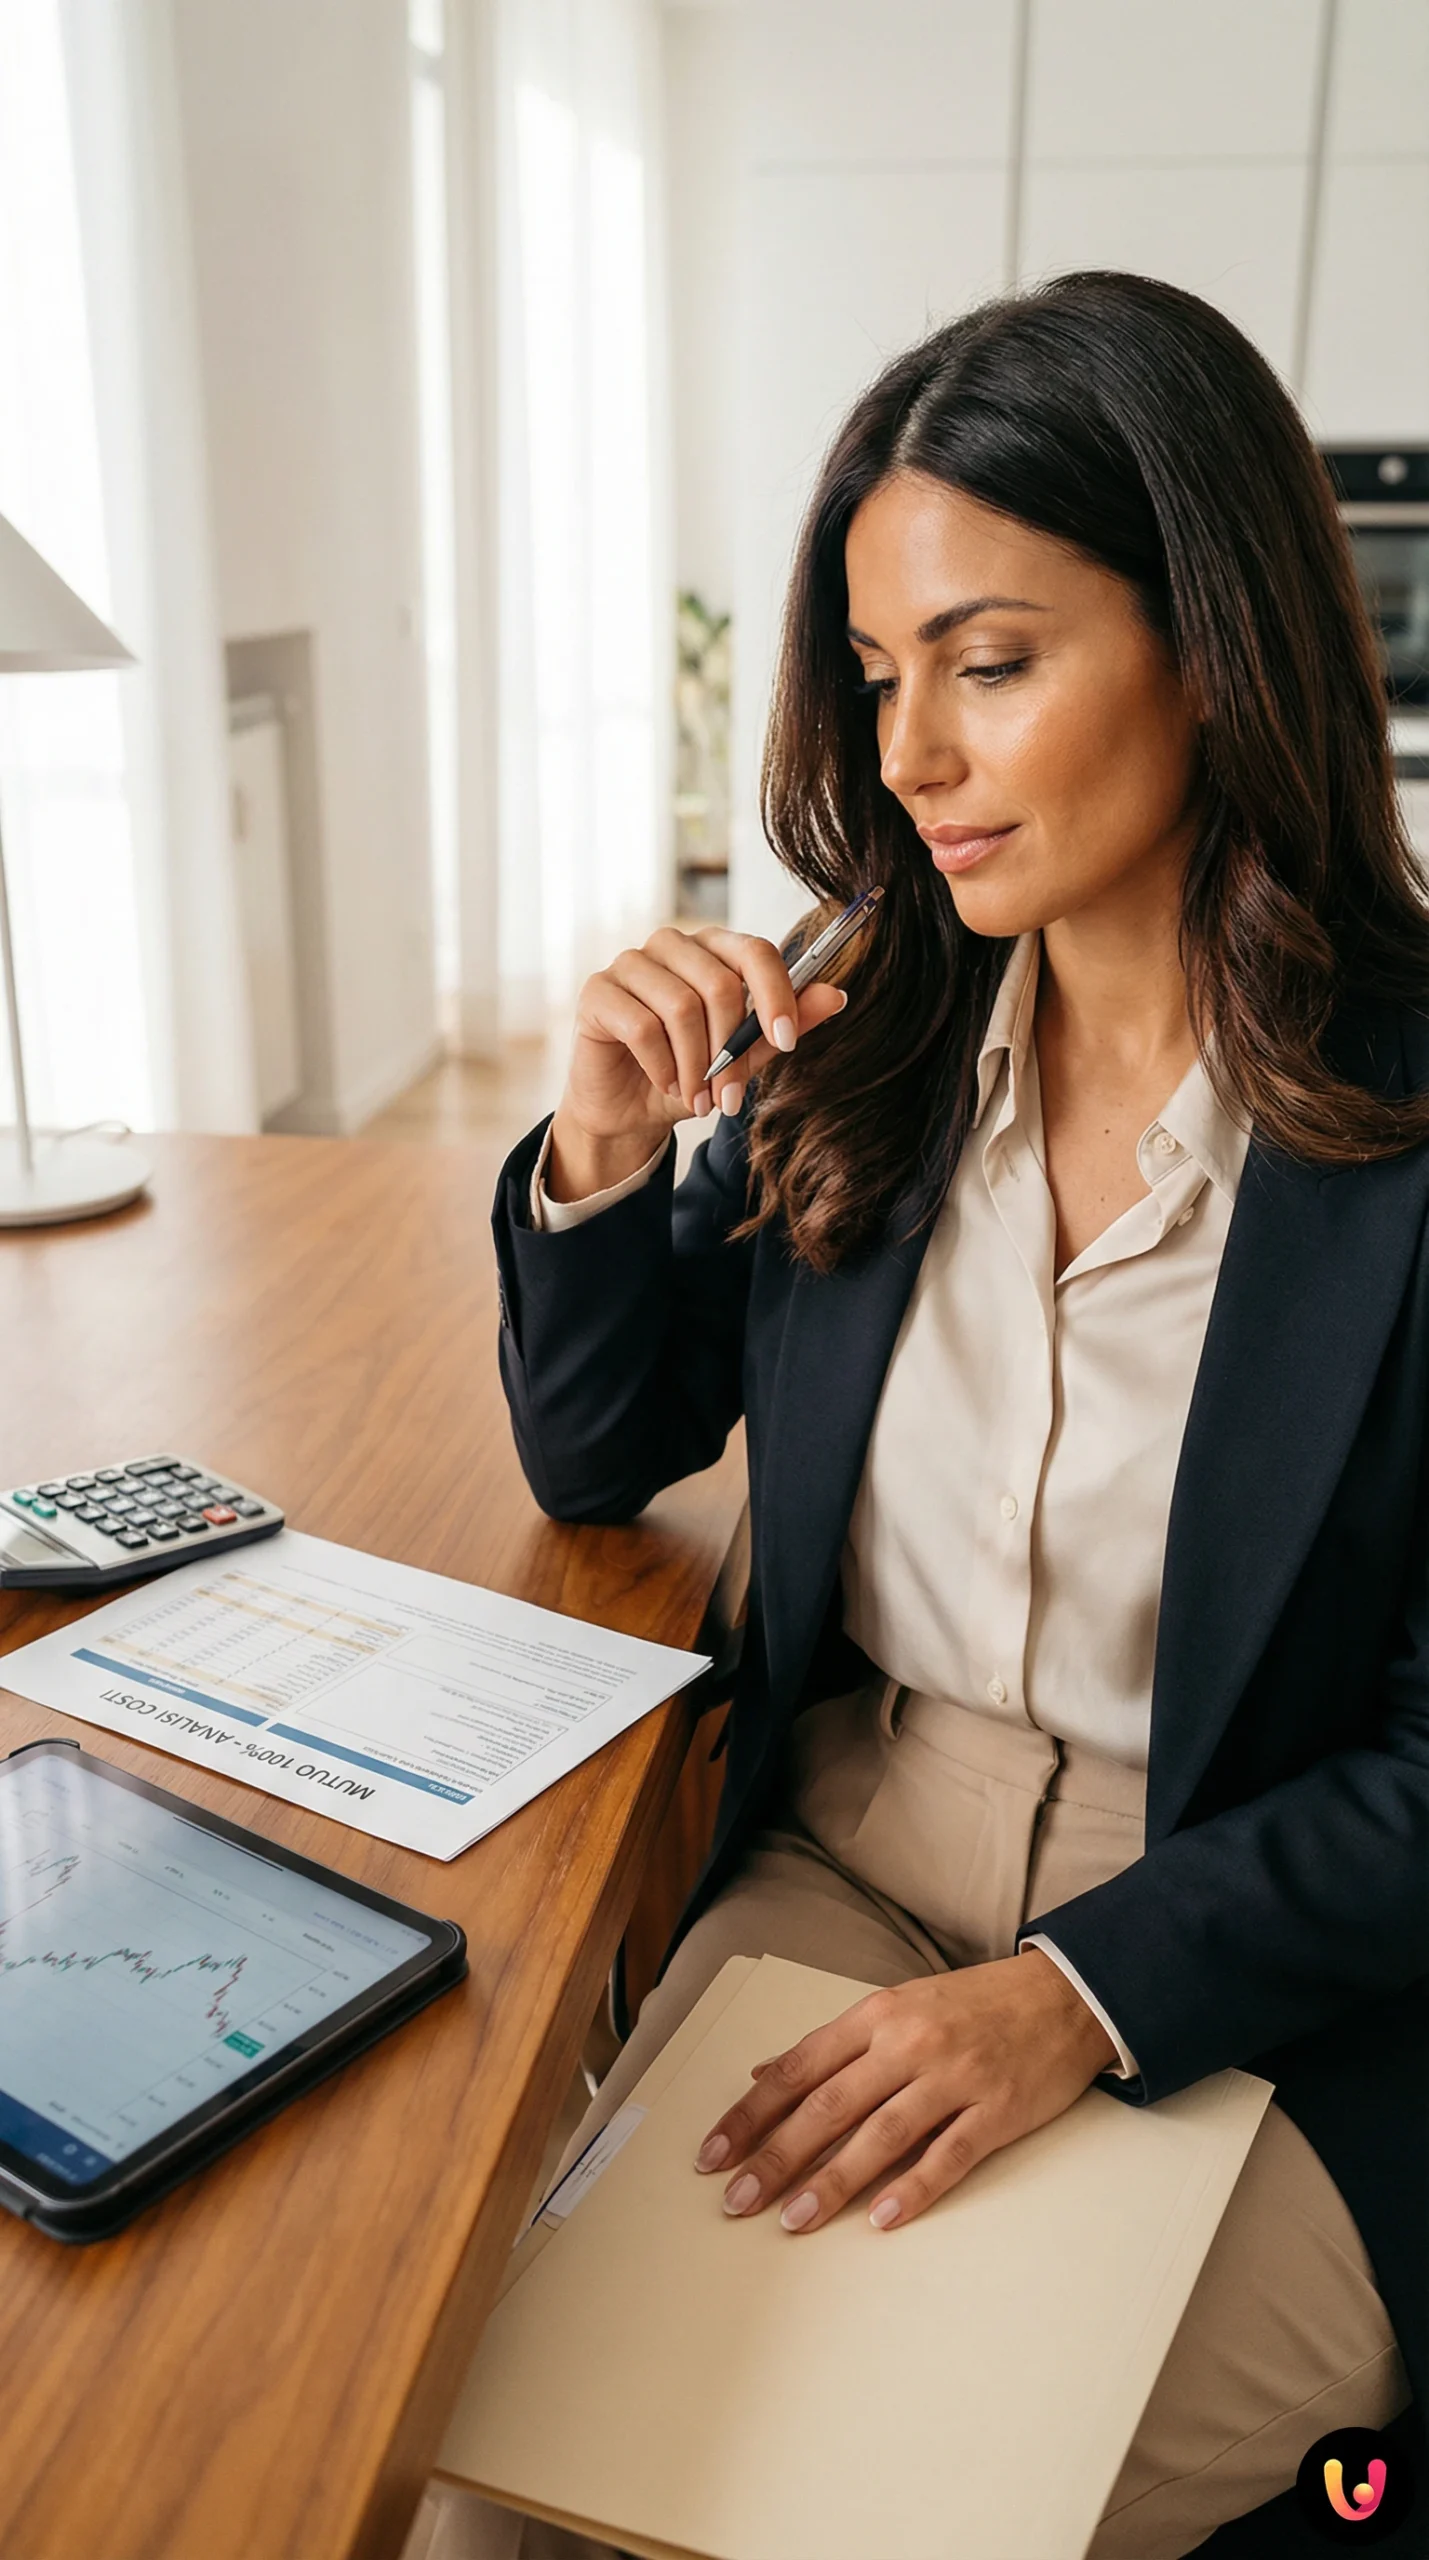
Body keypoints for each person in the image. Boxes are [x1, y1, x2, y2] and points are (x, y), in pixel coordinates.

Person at [424, 273, 1429, 2560]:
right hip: (854, 1850)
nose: (908, 756)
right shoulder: (868, 1037)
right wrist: (600, 1145)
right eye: (880, 675)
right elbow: (600, 1446)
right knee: (509, 2479)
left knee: (883, 2512)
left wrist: (1078, 1995)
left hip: (1279, 1950)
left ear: (1215, 645)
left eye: (988, 662)